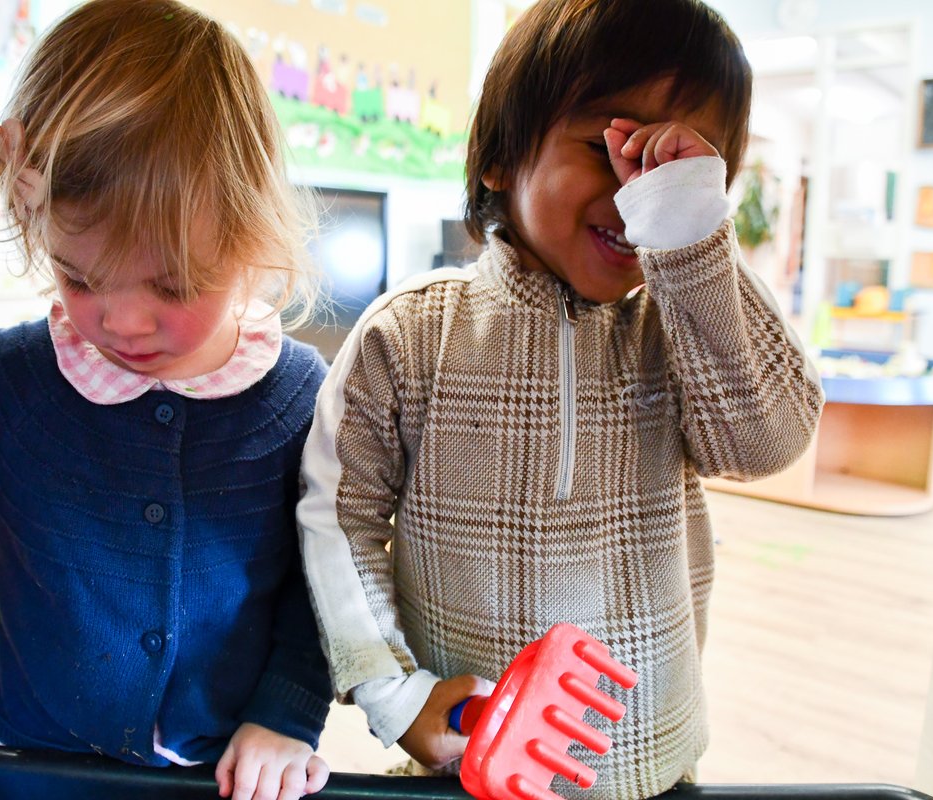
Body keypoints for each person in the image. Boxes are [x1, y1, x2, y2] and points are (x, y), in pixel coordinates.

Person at [296, 0, 825, 797]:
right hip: (462, 752)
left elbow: (764, 443)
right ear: (502, 157)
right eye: (607, 145)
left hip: (648, 756)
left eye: (679, 169)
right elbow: (340, 518)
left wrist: (695, 246)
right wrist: (392, 691)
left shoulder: (680, 328)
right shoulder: (409, 334)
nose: (638, 189)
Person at [0, 2, 333, 798]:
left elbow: (328, 583)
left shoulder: (303, 400)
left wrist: (288, 713)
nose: (122, 321)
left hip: (227, 764)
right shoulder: (7, 385)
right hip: (35, 761)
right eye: (80, 277)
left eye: (175, 283)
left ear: (251, 238)